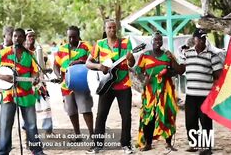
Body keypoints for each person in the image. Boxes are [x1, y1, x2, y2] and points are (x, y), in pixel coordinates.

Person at [0, 28, 45, 155]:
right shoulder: (4, 53)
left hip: (27, 94)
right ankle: (2, 152)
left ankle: (36, 150)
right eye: (14, 36)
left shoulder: (30, 55)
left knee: (31, 125)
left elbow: (35, 71)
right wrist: (1, 76)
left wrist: (35, 79)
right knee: (5, 126)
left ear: (24, 39)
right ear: (11, 38)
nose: (16, 39)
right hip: (9, 95)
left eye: (19, 36)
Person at [86, 19, 135, 154]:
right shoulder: (100, 44)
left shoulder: (125, 42)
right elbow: (88, 63)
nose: (112, 30)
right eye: (109, 28)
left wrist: (130, 58)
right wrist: (99, 66)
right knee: (101, 115)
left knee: (126, 116)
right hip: (106, 84)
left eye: (114, 27)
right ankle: (97, 145)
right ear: (105, 29)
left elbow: (131, 64)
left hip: (124, 84)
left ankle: (126, 144)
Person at [135, 32, 184, 151]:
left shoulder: (167, 55)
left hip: (166, 90)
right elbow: (138, 71)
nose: (158, 42)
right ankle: (148, 143)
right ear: (151, 41)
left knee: (167, 114)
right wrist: (143, 80)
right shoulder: (145, 55)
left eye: (160, 40)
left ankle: (168, 143)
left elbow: (178, 71)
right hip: (150, 91)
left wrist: (169, 66)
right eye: (156, 40)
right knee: (148, 116)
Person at [181, 28, 223, 155]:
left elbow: (218, 74)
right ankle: (194, 144)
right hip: (191, 95)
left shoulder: (212, 56)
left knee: (205, 122)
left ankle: (207, 147)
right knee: (190, 121)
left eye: (204, 38)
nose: (202, 40)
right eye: (200, 38)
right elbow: (181, 69)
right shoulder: (187, 54)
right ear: (194, 39)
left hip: (205, 96)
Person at [53, 25, 94, 142]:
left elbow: (94, 60)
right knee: (71, 111)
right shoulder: (62, 49)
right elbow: (55, 65)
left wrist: (80, 61)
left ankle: (92, 135)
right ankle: (77, 135)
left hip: (82, 83)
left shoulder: (86, 46)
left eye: (74, 37)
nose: (71, 40)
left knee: (85, 109)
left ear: (78, 36)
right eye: (69, 37)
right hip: (66, 85)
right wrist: (58, 76)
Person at [25, 29, 54, 135]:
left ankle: (48, 129)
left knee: (45, 106)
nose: (31, 38)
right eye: (29, 36)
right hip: (27, 84)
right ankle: (30, 132)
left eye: (33, 35)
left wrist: (45, 70)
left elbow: (48, 68)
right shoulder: (23, 53)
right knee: (30, 108)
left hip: (41, 84)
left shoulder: (41, 52)